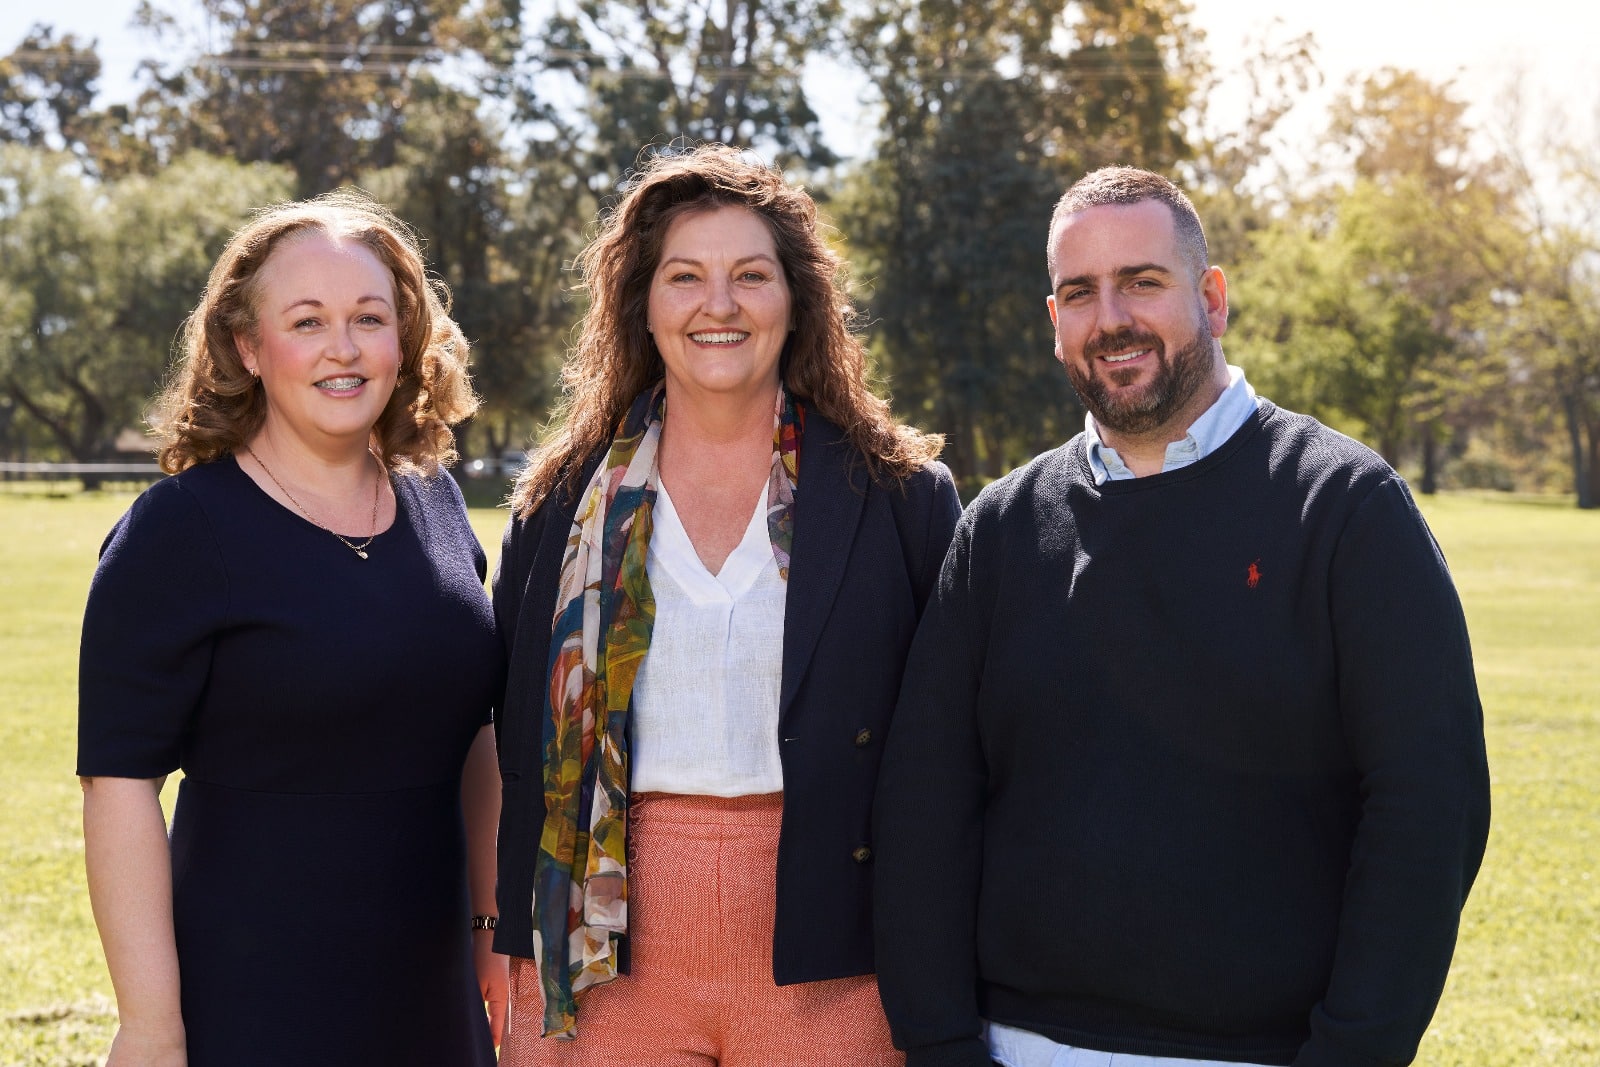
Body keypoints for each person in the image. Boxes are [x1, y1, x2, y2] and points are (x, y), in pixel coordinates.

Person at [873, 166, 1491, 1067]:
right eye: (1080, 293)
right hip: (1016, 1047)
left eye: (1143, 281)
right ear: (1056, 326)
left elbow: (1428, 810)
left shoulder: (1346, 508)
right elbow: (924, 807)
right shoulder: (1000, 529)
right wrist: (939, 1042)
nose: (1111, 316)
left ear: (1212, 298)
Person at [491, 143, 962, 1066]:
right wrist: (511, 954)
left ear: (797, 300)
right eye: (685, 277)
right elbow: (515, 752)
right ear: (643, 304)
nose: (720, 304)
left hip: (838, 963)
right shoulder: (560, 510)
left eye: (751, 274)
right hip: (609, 964)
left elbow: (954, 753)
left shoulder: (900, 496)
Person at [77, 189, 507, 1066]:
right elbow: (118, 784)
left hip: (429, 987)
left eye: (369, 318)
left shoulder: (437, 501)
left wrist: (490, 926)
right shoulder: (178, 530)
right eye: (306, 321)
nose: (342, 349)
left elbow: (474, 731)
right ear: (247, 345)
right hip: (248, 989)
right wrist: (153, 1024)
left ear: (405, 339)